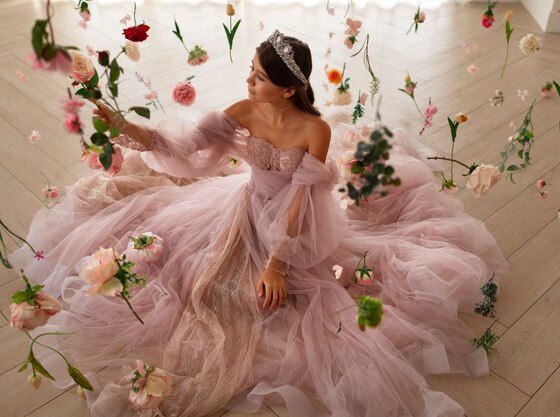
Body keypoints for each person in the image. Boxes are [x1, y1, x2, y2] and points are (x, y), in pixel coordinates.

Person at [11, 30, 506, 417]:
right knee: (201, 285)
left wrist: (277, 261)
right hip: (241, 203)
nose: (249, 82)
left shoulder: (315, 130)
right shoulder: (245, 109)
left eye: (259, 76)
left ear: (290, 88)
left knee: (264, 299)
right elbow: (186, 148)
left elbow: (301, 198)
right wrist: (123, 125)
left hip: (294, 220)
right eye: (250, 70)